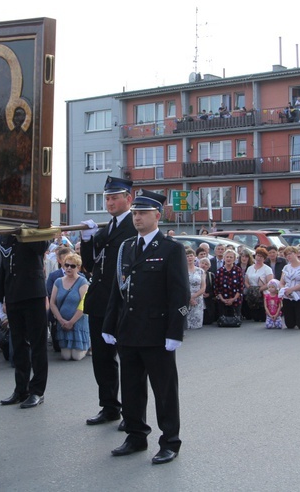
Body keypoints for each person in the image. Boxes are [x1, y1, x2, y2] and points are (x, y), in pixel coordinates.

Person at [103, 189, 189, 465]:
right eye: (136, 212)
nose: (137, 217)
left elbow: (181, 294)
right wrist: (109, 324)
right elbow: (117, 289)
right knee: (131, 389)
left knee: (164, 391)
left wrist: (175, 331)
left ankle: (170, 442)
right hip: (128, 331)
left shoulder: (171, 249)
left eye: (142, 213)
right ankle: (136, 435)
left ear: (157, 215)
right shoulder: (127, 247)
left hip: (157, 333)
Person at [79, 176, 136, 427]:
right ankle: (109, 406)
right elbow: (91, 266)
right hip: (101, 301)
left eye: (115, 197)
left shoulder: (135, 226)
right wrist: (87, 239)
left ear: (128, 199)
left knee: (129, 362)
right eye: (108, 198)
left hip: (124, 303)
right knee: (102, 359)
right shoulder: (108, 228)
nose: (110, 202)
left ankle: (132, 414)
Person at [0, 233, 49, 410]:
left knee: (37, 345)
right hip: (13, 295)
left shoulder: (33, 231)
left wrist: (26, 231)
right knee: (18, 346)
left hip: (33, 293)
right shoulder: (5, 236)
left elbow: (42, 246)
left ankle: (37, 391)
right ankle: (21, 389)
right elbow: (2, 267)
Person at [49, 252, 90, 360]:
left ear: (78, 267)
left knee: (76, 357)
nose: (69, 268)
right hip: (63, 323)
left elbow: (84, 304)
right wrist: (61, 320)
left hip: (77, 322)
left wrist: (71, 322)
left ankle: (88, 345)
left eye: (72, 266)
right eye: (66, 265)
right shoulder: (58, 282)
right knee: (66, 357)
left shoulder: (82, 282)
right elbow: (52, 303)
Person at [279, 246, 300, 329]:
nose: (288, 256)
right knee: (290, 325)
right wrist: (285, 290)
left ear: (296, 254)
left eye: (290, 253)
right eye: (286, 255)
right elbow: (281, 282)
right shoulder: (286, 267)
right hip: (288, 296)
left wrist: (292, 289)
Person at [214, 249, 244, 323]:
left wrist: (233, 299)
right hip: (222, 300)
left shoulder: (238, 270)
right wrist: (223, 299)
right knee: (223, 321)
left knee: (235, 321)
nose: (229, 259)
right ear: (224, 258)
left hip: (235, 300)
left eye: (231, 257)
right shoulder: (219, 271)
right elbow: (216, 287)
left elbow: (240, 287)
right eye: (227, 257)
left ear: (234, 259)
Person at [244, 247, 273, 322]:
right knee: (255, 318)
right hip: (251, 293)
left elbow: (270, 282)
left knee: (262, 317)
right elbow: (246, 281)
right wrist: (250, 288)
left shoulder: (267, 269)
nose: (259, 258)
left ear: (264, 258)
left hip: (263, 293)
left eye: (261, 257)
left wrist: (258, 290)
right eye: (258, 256)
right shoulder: (250, 268)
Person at [185, 247, 206, 330]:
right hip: (185, 299)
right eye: (187, 256)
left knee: (197, 326)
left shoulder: (200, 271)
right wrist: (189, 298)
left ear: (194, 257)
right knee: (185, 324)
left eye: (191, 256)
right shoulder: (181, 270)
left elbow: (203, 287)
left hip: (197, 299)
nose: (189, 258)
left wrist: (193, 297)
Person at [198, 257, 216, 325]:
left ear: (209, 267)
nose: (203, 265)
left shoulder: (211, 275)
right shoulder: (194, 274)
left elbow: (214, 289)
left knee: (207, 321)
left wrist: (209, 294)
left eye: (206, 264)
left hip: (207, 302)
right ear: (199, 264)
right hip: (197, 299)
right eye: (202, 263)